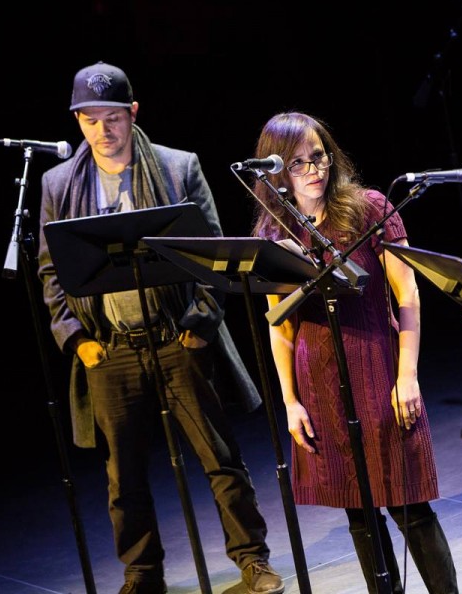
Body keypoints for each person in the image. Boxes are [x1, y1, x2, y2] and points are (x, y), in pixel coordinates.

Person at [36, 61, 285, 594]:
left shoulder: (177, 167)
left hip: (177, 337)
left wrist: (199, 326)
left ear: (133, 113)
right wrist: (76, 341)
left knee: (220, 460)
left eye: (112, 117)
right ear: (78, 121)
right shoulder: (58, 183)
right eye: (89, 119)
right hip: (110, 348)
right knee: (122, 478)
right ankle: (142, 573)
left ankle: (253, 560)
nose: (103, 130)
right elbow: (50, 270)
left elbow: (215, 253)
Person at [248, 112, 459, 593]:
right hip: (319, 381)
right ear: (276, 171)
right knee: (359, 515)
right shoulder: (273, 234)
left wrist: (408, 376)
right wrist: (290, 401)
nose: (313, 170)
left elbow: (408, 295)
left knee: (412, 509)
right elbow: (279, 326)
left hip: (378, 368)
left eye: (318, 156)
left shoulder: (369, 208)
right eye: (298, 163)